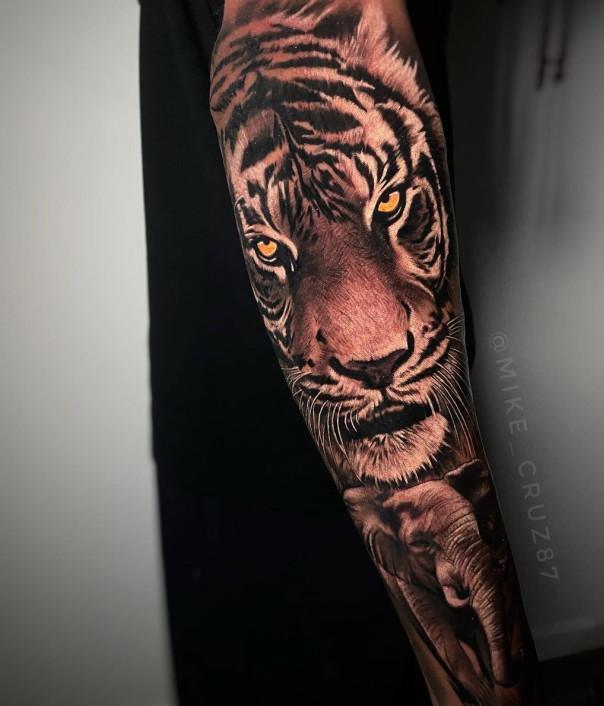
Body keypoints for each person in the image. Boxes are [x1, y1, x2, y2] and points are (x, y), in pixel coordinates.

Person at [140, 1, 542, 703]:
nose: (371, 344)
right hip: (304, 489)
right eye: (278, 248)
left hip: (221, 438)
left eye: (387, 207)